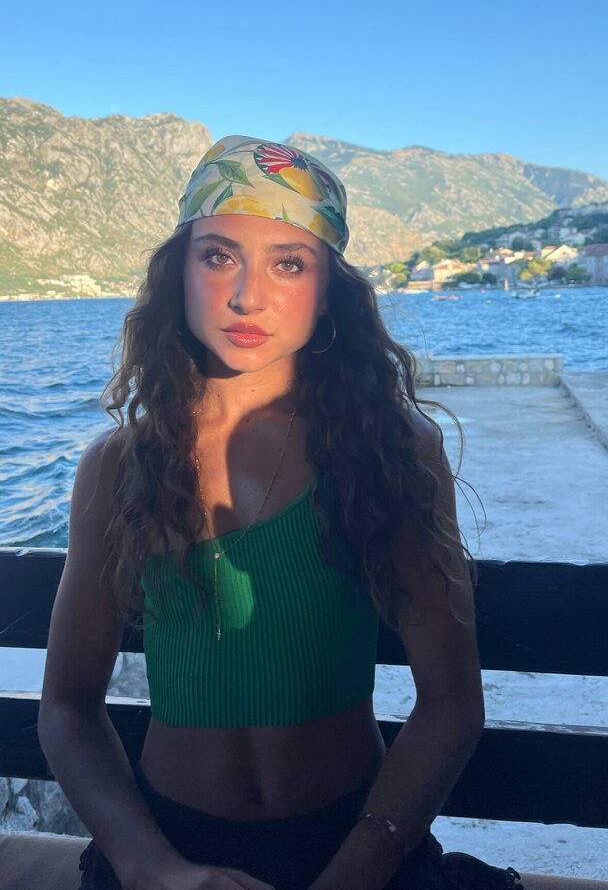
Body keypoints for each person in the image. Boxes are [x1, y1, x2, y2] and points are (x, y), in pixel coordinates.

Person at [38, 136, 607, 890]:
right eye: (218, 256)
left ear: (328, 288)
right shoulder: (118, 468)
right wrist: (152, 868)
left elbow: (450, 704)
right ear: (177, 273)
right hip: (168, 851)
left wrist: (354, 874)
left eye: (289, 263)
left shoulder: (387, 450)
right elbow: (68, 707)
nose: (247, 296)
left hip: (357, 846)